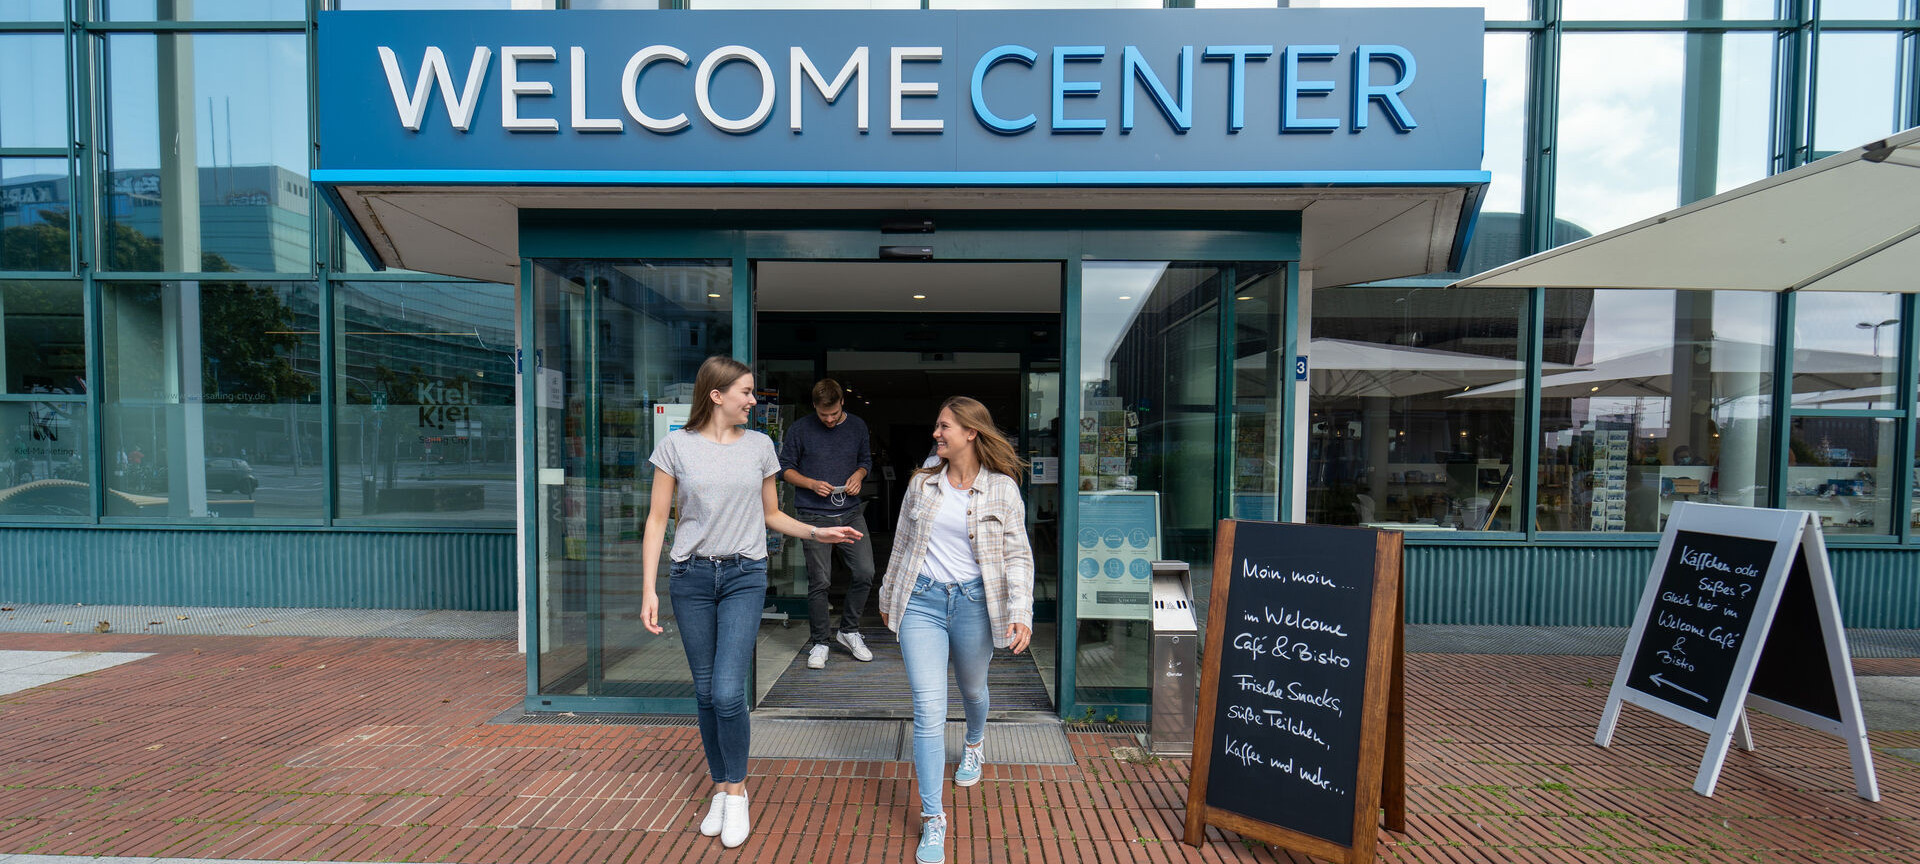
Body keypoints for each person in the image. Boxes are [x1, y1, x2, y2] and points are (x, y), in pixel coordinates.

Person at [641, 356, 862, 849]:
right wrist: (648, 589)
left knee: (726, 692)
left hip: (744, 574)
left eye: (753, 392)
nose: (752, 400)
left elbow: (772, 514)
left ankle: (736, 792)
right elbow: (658, 521)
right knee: (703, 692)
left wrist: (818, 531)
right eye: (745, 391)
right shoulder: (675, 446)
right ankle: (720, 787)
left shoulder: (761, 447)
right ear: (716, 395)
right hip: (690, 578)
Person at [876, 396, 1034, 864]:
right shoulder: (922, 485)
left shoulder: (1003, 489)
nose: (936, 434)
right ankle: (933, 818)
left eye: (944, 427)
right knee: (927, 708)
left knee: (973, 688)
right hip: (921, 601)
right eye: (936, 426)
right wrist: (889, 598)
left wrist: (1020, 610)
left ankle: (973, 743)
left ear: (971, 432)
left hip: (974, 605)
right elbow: (902, 544)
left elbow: (1018, 555)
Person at [777, 378, 877, 670]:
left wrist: (859, 476)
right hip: (812, 515)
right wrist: (810, 483)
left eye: (834, 414)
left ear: (842, 402)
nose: (830, 420)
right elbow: (784, 470)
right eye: (824, 416)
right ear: (815, 407)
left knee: (865, 571)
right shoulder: (800, 429)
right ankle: (820, 642)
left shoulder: (857, 426)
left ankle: (849, 631)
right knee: (820, 581)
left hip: (850, 512)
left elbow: (865, 461)